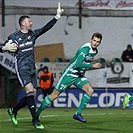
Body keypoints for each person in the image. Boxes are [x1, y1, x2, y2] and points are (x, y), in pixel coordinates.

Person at [0, 2, 64, 129]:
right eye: (29, 21)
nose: (31, 23)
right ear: (22, 23)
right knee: (29, 92)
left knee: (32, 95)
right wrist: (4, 47)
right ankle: (35, 120)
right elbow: (2, 47)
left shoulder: (32, 35)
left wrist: (56, 17)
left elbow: (46, 28)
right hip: (22, 68)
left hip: (32, 68)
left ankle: (13, 110)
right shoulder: (14, 37)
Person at [36, 32, 103, 123]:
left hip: (78, 76)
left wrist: (83, 71)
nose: (95, 43)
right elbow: (78, 63)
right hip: (69, 74)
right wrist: (93, 65)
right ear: (90, 40)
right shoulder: (85, 49)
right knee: (54, 95)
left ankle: (77, 114)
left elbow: (84, 62)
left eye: (98, 42)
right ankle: (36, 115)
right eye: (94, 40)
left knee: (90, 91)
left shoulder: (95, 51)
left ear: (100, 43)